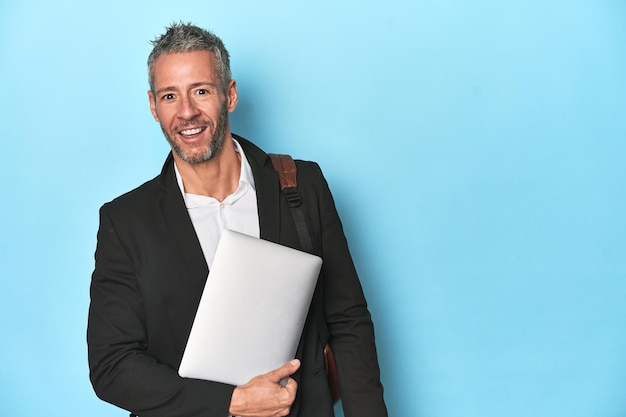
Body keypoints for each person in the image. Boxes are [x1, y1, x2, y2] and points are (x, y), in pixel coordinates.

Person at [87, 22, 388, 417]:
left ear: (229, 94)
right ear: (152, 105)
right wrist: (232, 403)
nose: (187, 112)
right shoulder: (125, 222)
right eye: (169, 96)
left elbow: (348, 320)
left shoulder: (301, 185)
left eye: (201, 91)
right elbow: (112, 365)